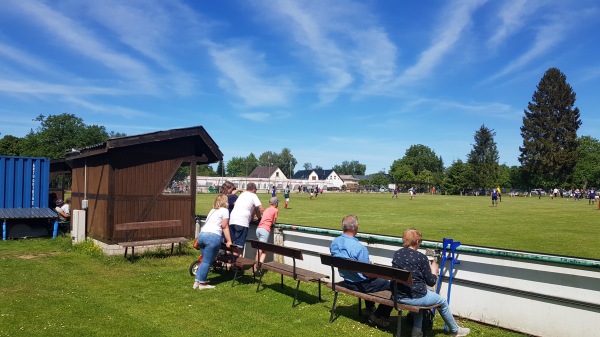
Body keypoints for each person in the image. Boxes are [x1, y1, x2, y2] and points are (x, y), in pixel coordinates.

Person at [378, 228, 470, 337]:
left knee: (421, 298)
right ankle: (455, 330)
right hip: (413, 297)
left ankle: (416, 332)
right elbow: (431, 282)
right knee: (442, 302)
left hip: (398, 295)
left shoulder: (397, 254)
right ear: (417, 242)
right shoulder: (421, 257)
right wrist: (434, 271)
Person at [329, 215, 392, 327]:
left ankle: (369, 309)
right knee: (394, 285)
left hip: (347, 281)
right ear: (356, 228)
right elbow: (367, 273)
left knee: (370, 278)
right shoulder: (359, 248)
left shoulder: (335, 242)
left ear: (342, 226)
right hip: (360, 284)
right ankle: (378, 316)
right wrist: (380, 274)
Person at [193, 194, 233, 290]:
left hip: (202, 235)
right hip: (212, 236)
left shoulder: (213, 210)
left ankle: (197, 281)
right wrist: (229, 240)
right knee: (207, 261)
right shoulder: (225, 211)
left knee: (204, 260)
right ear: (225, 202)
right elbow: (224, 226)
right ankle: (202, 283)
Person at [229, 182, 264, 249]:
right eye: (256, 189)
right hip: (242, 222)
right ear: (253, 189)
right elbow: (261, 209)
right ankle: (238, 259)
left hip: (232, 220)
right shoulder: (253, 195)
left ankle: (231, 258)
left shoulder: (242, 194)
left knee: (232, 244)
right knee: (238, 246)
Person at [254, 197, 280, 275]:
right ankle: (255, 268)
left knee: (264, 250)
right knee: (260, 250)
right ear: (275, 203)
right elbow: (274, 222)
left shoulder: (267, 209)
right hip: (265, 230)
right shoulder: (275, 210)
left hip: (258, 229)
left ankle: (260, 265)